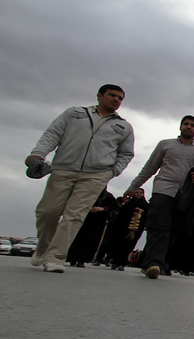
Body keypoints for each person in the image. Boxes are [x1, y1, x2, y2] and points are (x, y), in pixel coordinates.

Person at [25, 84, 135, 273]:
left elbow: (126, 154)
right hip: (63, 169)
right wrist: (37, 155)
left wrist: (112, 172)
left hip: (96, 174)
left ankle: (56, 257)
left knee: (74, 216)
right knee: (47, 212)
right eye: (112, 95)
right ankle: (43, 249)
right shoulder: (75, 113)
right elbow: (52, 134)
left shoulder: (124, 126)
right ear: (99, 96)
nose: (116, 100)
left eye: (120, 98)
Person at [126, 115, 194, 280]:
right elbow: (149, 168)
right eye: (186, 124)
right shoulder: (165, 145)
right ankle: (154, 264)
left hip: (186, 196)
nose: (189, 127)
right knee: (159, 226)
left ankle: (152, 262)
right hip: (163, 190)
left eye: (193, 125)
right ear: (180, 126)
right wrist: (132, 188)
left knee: (174, 231)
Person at [65, 188, 118, 267]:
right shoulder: (89, 192)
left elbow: (114, 206)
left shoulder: (108, 196)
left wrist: (103, 209)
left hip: (98, 221)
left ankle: (82, 259)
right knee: (78, 237)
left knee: (91, 240)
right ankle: (73, 258)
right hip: (84, 218)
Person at [105, 188, 149, 271]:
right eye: (137, 192)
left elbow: (146, 217)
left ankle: (122, 263)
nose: (139, 194)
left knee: (129, 245)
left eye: (140, 193)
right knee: (119, 243)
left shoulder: (145, 205)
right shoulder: (129, 204)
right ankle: (115, 261)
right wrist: (133, 210)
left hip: (135, 229)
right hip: (124, 228)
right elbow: (122, 214)